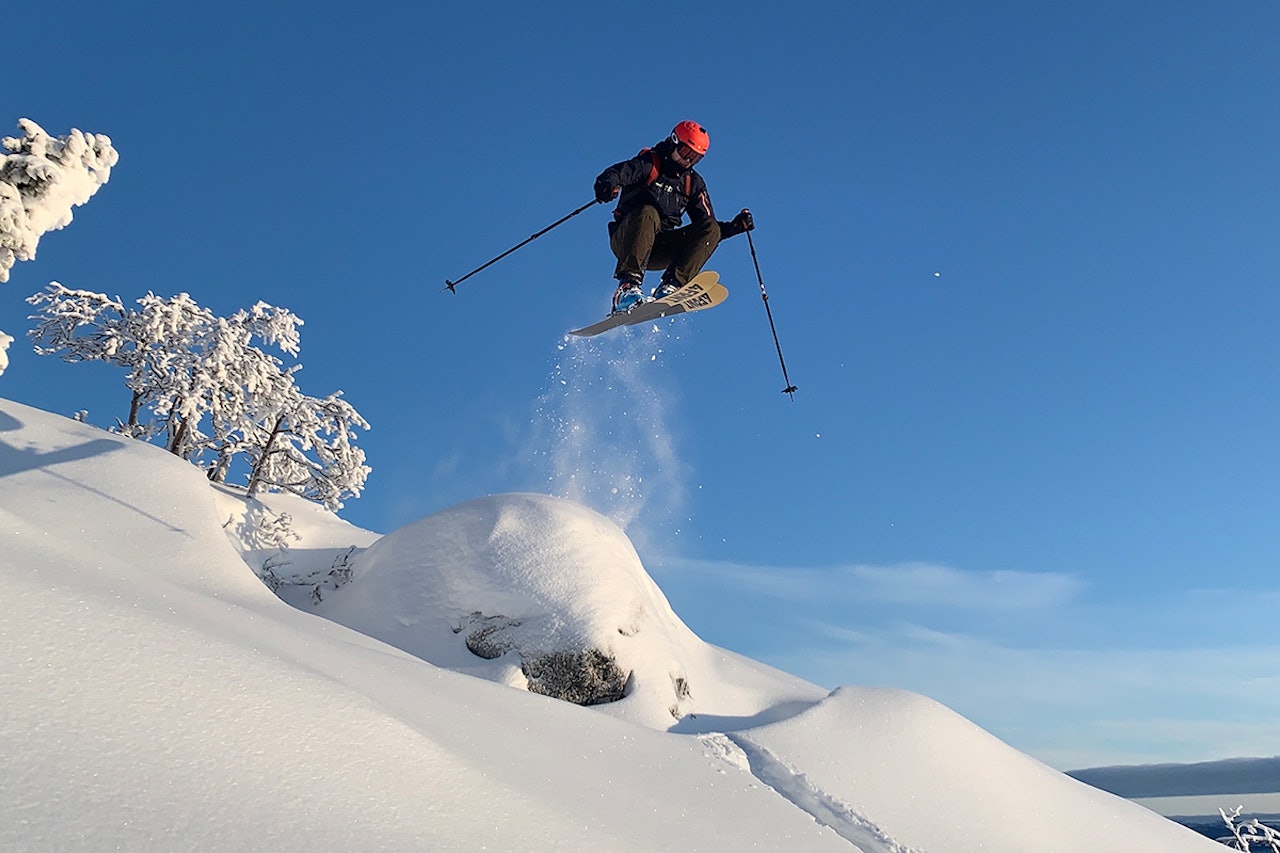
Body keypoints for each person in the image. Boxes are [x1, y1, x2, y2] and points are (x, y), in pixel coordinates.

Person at [593, 121, 755, 313]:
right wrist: (607, 185)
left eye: (695, 158)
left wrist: (733, 227)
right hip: (628, 240)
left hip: (658, 249)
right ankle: (627, 289)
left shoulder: (692, 183)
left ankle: (672, 286)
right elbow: (617, 173)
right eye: (686, 153)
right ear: (674, 142)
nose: (688, 161)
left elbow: (705, 227)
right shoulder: (649, 164)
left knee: (711, 228)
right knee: (648, 212)